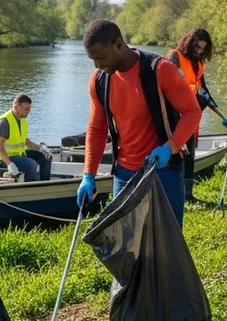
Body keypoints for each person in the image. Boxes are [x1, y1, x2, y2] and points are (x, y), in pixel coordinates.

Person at [75, 19, 202, 226]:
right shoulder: (99, 80)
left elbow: (192, 111)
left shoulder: (160, 70)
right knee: (128, 247)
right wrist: (88, 174)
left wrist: (170, 148)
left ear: (118, 44)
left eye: (101, 57)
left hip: (163, 171)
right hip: (124, 175)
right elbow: (97, 129)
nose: (98, 65)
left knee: (167, 245)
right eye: (93, 60)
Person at [166, 27, 227, 200]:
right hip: (175, 117)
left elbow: (203, 92)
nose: (199, 51)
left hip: (192, 116)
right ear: (189, 43)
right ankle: (173, 194)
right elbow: (169, 87)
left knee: (190, 156)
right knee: (176, 155)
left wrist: (223, 116)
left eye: (202, 49)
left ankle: (188, 196)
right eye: (196, 47)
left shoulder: (199, 64)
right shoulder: (175, 56)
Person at [0, 93, 53, 182]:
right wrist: (10, 164)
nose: (28, 112)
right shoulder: (4, 122)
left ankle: (45, 184)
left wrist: (40, 147)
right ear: (16, 107)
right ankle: (30, 189)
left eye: (29, 109)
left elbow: (24, 141)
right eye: (26, 109)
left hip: (18, 154)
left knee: (46, 156)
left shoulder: (22, 119)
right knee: (31, 164)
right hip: (3, 159)